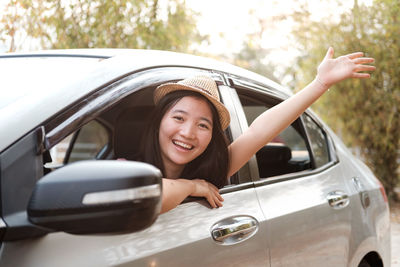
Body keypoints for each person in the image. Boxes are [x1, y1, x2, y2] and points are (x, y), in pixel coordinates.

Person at [138, 47, 375, 213]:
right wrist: (191, 186)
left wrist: (320, 83)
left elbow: (257, 133)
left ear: (211, 137)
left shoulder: (212, 172)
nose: (188, 133)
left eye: (203, 125)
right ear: (159, 120)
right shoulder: (123, 169)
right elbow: (149, 198)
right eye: (179, 118)